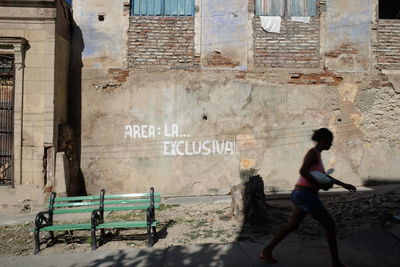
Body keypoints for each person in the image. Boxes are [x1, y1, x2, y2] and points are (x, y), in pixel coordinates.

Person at [259, 128, 356, 267]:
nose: (330, 144)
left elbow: (324, 176)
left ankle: (266, 251)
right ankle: (336, 263)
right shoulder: (313, 153)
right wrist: (319, 185)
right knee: (329, 225)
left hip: (301, 194)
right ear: (322, 140)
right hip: (306, 195)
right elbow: (303, 171)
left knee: (291, 226)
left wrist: (344, 184)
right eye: (329, 140)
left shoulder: (317, 155)